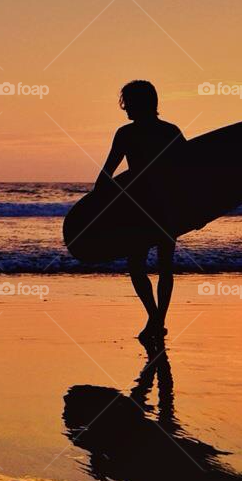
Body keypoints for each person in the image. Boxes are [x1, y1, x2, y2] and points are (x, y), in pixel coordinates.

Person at [96, 80, 186, 346]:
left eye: (128, 103)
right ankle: (158, 320)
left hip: (140, 208)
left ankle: (154, 318)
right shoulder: (171, 132)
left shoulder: (126, 134)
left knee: (137, 267)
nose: (125, 109)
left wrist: (104, 206)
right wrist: (195, 210)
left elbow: (105, 177)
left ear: (139, 103)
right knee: (164, 267)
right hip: (167, 207)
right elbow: (188, 176)